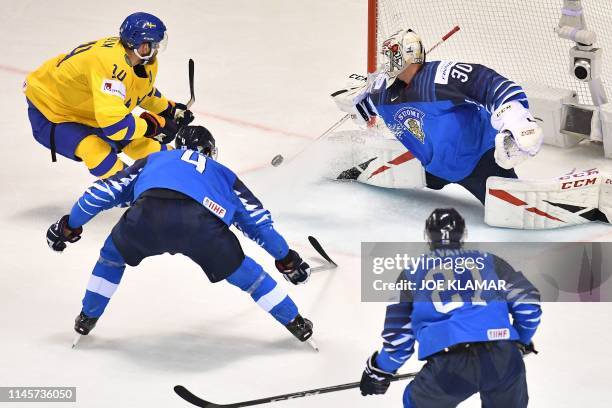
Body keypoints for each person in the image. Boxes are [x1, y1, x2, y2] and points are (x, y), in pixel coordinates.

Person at [45, 125, 314, 346]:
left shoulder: (154, 159)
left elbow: (103, 193)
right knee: (250, 277)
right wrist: (286, 259)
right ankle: (295, 322)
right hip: (202, 227)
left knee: (111, 257)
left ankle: (87, 317)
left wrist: (70, 225)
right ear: (210, 151)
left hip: (147, 215)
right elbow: (257, 224)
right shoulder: (223, 174)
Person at [333, 29, 544, 204]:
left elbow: (492, 85)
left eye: (393, 54)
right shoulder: (382, 90)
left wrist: (516, 117)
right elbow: (362, 108)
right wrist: (353, 100)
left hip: (478, 160)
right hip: (434, 166)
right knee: (432, 166)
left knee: (511, 206)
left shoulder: (439, 77)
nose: (387, 61)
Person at [359, 208, 542, 407]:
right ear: (463, 235)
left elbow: (398, 339)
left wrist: (379, 369)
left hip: (450, 366)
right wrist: (520, 340)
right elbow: (528, 302)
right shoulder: (490, 260)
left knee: (414, 401)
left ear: (428, 237)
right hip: (504, 357)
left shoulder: (410, 274)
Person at [24, 12, 194, 179]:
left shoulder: (142, 61)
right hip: (50, 111)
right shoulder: (109, 66)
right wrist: (152, 126)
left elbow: (142, 91)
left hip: (86, 109)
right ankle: (129, 193)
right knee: (95, 150)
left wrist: (169, 109)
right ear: (142, 47)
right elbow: (116, 127)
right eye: (155, 44)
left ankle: (181, 169)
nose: (157, 49)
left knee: (139, 142)